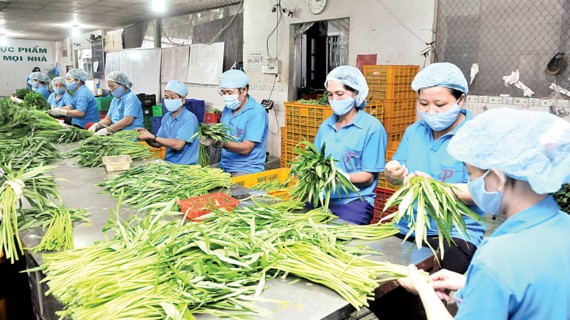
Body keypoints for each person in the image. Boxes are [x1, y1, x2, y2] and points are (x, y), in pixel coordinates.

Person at [399, 108, 570, 319]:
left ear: (497, 179)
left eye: (471, 174)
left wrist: (423, 289)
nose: (471, 183)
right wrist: (468, 283)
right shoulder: (564, 226)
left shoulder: (497, 257)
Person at [369, 62, 485, 319]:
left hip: (454, 233)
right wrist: (394, 174)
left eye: (440, 105)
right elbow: (398, 179)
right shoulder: (414, 131)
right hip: (407, 227)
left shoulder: (475, 136)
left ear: (461, 99)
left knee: (419, 296)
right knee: (378, 289)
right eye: (423, 104)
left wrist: (434, 187)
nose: (430, 111)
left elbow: (484, 192)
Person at [312, 66, 387, 225]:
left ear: (356, 93)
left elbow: (368, 176)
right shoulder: (326, 126)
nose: (334, 100)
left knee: (339, 239)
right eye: (330, 95)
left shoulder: (372, 128)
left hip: (353, 201)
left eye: (340, 94)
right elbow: (315, 161)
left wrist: (341, 178)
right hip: (323, 197)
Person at [201, 69, 268, 176]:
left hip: (247, 168)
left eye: (229, 93)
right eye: (223, 93)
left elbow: (246, 148)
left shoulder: (256, 112)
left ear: (244, 90)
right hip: (225, 165)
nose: (226, 97)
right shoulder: (228, 109)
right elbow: (226, 132)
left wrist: (219, 142)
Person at [137, 80, 199, 165]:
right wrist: (145, 136)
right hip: (170, 164)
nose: (169, 100)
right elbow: (157, 143)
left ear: (183, 99)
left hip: (186, 166)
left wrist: (152, 136)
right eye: (166, 97)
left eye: (172, 98)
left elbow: (178, 145)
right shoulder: (167, 117)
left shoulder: (189, 118)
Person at [88, 71, 144, 135]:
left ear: (122, 85)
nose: (110, 89)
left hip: (131, 134)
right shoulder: (115, 100)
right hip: (118, 133)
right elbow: (108, 119)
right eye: (109, 87)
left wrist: (107, 130)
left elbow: (127, 121)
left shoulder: (131, 98)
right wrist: (97, 125)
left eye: (112, 86)